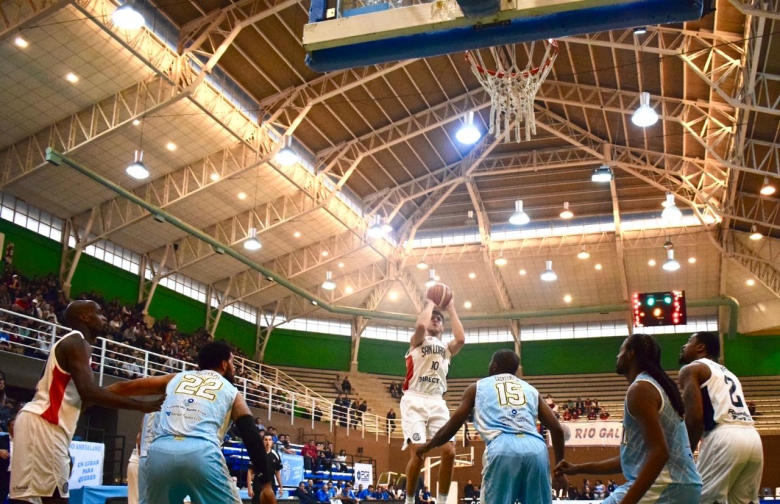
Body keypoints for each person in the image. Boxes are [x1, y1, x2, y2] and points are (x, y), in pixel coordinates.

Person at [10, 300, 163, 504]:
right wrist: (141, 405)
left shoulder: (71, 344)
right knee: (51, 498)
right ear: (84, 317)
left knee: (31, 498)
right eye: (98, 313)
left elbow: (74, 396)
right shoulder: (76, 342)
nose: (104, 317)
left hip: (44, 425)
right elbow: (90, 392)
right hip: (44, 424)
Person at [103, 340, 275, 504]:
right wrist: (266, 484)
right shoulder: (231, 391)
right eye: (232, 363)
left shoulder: (176, 378)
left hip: (159, 452)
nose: (234, 368)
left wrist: (90, 396)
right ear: (224, 364)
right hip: (201, 453)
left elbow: (125, 387)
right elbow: (250, 434)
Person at [554, 334, 702, 504]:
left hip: (667, 485)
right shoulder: (654, 386)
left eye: (621, 350)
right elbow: (629, 461)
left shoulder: (641, 389)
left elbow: (660, 453)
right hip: (680, 485)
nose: (618, 356)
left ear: (631, 353)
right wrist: (578, 468)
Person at [417, 349, 566, 504]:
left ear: (494, 366)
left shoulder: (477, 387)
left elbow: (452, 425)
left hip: (502, 446)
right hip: (536, 449)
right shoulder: (531, 390)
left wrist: (429, 444)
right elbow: (556, 429)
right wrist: (560, 468)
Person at [678, 331, 764, 504]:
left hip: (724, 436)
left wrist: (684, 455)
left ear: (701, 347)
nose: (683, 346)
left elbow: (695, 418)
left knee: (703, 500)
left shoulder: (691, 369)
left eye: (689, 342)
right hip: (753, 438)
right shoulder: (730, 374)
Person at [402, 297, 465, 504]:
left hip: (437, 402)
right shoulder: (417, 341)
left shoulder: (446, 349)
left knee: (449, 452)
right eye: (433, 318)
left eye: (440, 319)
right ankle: (410, 500)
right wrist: (430, 303)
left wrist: (451, 308)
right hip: (415, 400)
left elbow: (461, 339)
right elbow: (420, 324)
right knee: (419, 454)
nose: (436, 320)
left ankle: (442, 501)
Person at [248, 433, 284, 504]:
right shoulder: (256, 454)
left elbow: (277, 472)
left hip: (271, 484)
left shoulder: (276, 455)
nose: (268, 442)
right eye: (266, 440)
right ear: (263, 441)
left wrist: (281, 487)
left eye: (270, 440)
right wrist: (249, 487)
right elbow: (250, 471)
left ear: (272, 442)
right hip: (258, 483)